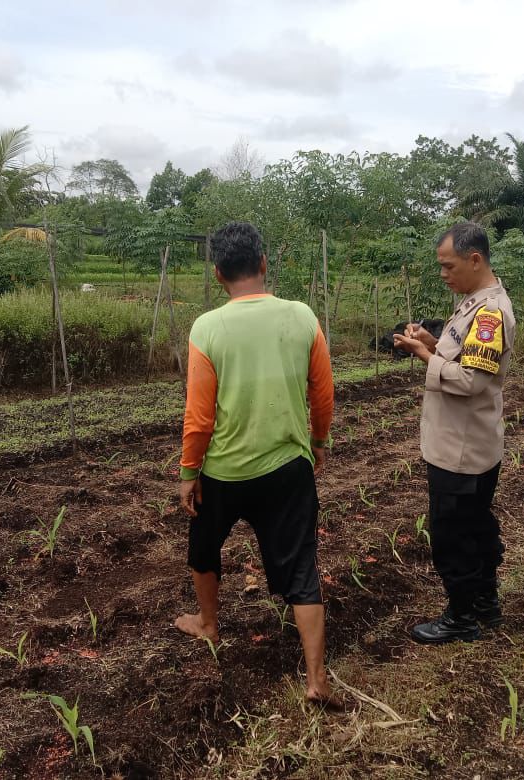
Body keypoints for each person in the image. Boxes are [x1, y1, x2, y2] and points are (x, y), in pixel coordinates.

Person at [175, 221, 337, 705]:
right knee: (301, 567)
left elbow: (199, 416)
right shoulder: (302, 316)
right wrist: (319, 441)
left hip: (223, 474)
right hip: (289, 468)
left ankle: (208, 624)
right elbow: (323, 391)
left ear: (219, 273)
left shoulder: (208, 327)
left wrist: (188, 472)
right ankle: (315, 679)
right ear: (263, 265)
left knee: (204, 549)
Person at [393, 222, 515, 643]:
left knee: (452, 532)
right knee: (476, 524)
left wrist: (425, 354)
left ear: (475, 259)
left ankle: (461, 617)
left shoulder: (490, 314)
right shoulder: (473, 303)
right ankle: (484, 602)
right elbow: (463, 355)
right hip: (470, 443)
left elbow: (470, 382)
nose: (443, 274)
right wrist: (433, 339)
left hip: (460, 450)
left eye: (448, 266)